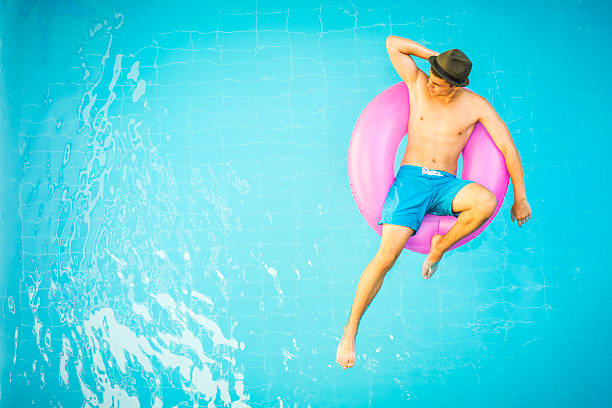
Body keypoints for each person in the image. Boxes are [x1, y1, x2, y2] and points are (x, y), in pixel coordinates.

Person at [336, 35, 532, 370]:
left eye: (441, 84)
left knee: (484, 202)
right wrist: (434, 59)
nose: (432, 87)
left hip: (445, 185)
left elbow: (508, 149)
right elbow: (392, 43)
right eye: (433, 78)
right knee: (386, 258)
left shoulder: (475, 106)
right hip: (411, 182)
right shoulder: (418, 82)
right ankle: (350, 329)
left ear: (456, 86)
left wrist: (520, 198)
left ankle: (438, 247)